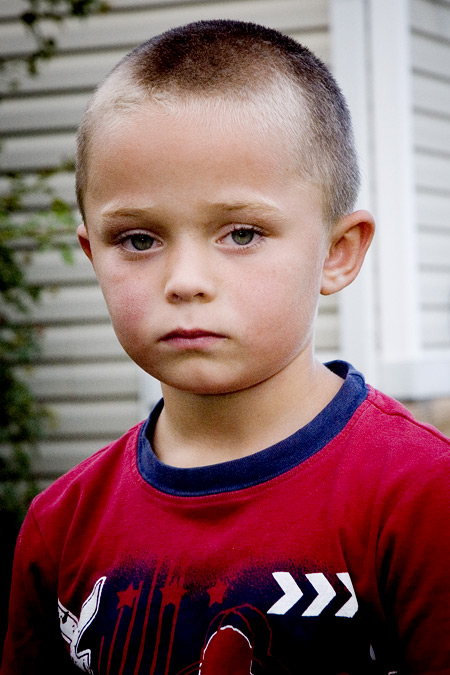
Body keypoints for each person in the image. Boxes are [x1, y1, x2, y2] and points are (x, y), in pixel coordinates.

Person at [2, 19, 449, 675]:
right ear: (93, 254)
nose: (185, 281)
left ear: (337, 251)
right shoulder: (60, 526)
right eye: (138, 240)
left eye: (241, 233)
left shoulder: (420, 497)